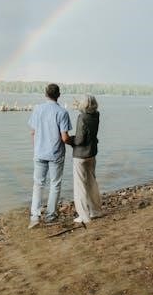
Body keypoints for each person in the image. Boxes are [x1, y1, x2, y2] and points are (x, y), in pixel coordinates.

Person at [28, 83, 72, 228]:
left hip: (39, 153)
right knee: (55, 184)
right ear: (58, 95)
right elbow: (65, 138)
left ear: (46, 94)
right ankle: (50, 216)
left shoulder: (37, 109)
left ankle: (35, 217)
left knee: (38, 184)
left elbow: (33, 132)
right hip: (55, 154)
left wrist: (36, 148)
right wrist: (75, 143)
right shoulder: (62, 112)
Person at [70, 94, 102, 224]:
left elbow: (79, 140)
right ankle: (96, 211)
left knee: (80, 186)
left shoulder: (81, 117)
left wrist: (69, 140)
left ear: (84, 105)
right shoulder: (97, 115)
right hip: (92, 153)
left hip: (80, 155)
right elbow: (88, 113)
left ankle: (84, 216)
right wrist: (80, 106)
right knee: (92, 183)